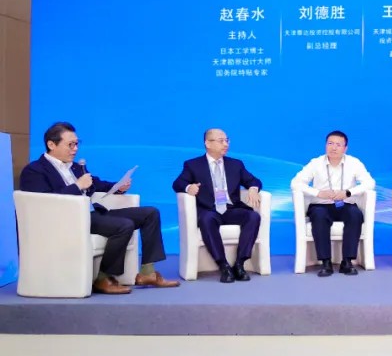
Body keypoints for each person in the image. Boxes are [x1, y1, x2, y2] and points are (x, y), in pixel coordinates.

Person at [18, 121, 180, 294]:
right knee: (124, 225)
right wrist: (77, 186)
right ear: (51, 144)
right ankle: (103, 278)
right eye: (70, 145)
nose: (75, 149)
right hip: (67, 220)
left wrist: (117, 187)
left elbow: (96, 183)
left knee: (150, 213)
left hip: (90, 214)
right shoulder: (34, 170)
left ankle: (147, 272)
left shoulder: (75, 167)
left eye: (77, 144)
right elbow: (44, 202)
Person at [171, 128, 263, 283]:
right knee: (207, 219)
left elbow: (254, 180)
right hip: (209, 209)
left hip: (231, 209)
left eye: (227, 140)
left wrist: (253, 189)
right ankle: (223, 265)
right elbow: (178, 183)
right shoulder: (193, 165)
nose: (226, 144)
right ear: (208, 143)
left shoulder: (236, 164)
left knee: (253, 216)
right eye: (221, 141)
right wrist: (189, 187)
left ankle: (240, 264)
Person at [291, 130, 376, 277]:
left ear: (345, 148)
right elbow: (295, 183)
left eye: (338, 144)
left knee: (355, 215)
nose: (334, 148)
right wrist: (318, 193)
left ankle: (347, 262)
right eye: (330, 143)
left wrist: (348, 192)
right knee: (319, 216)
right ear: (325, 145)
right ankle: (326, 263)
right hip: (321, 204)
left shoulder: (354, 163)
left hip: (345, 203)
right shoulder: (316, 163)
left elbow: (370, 183)